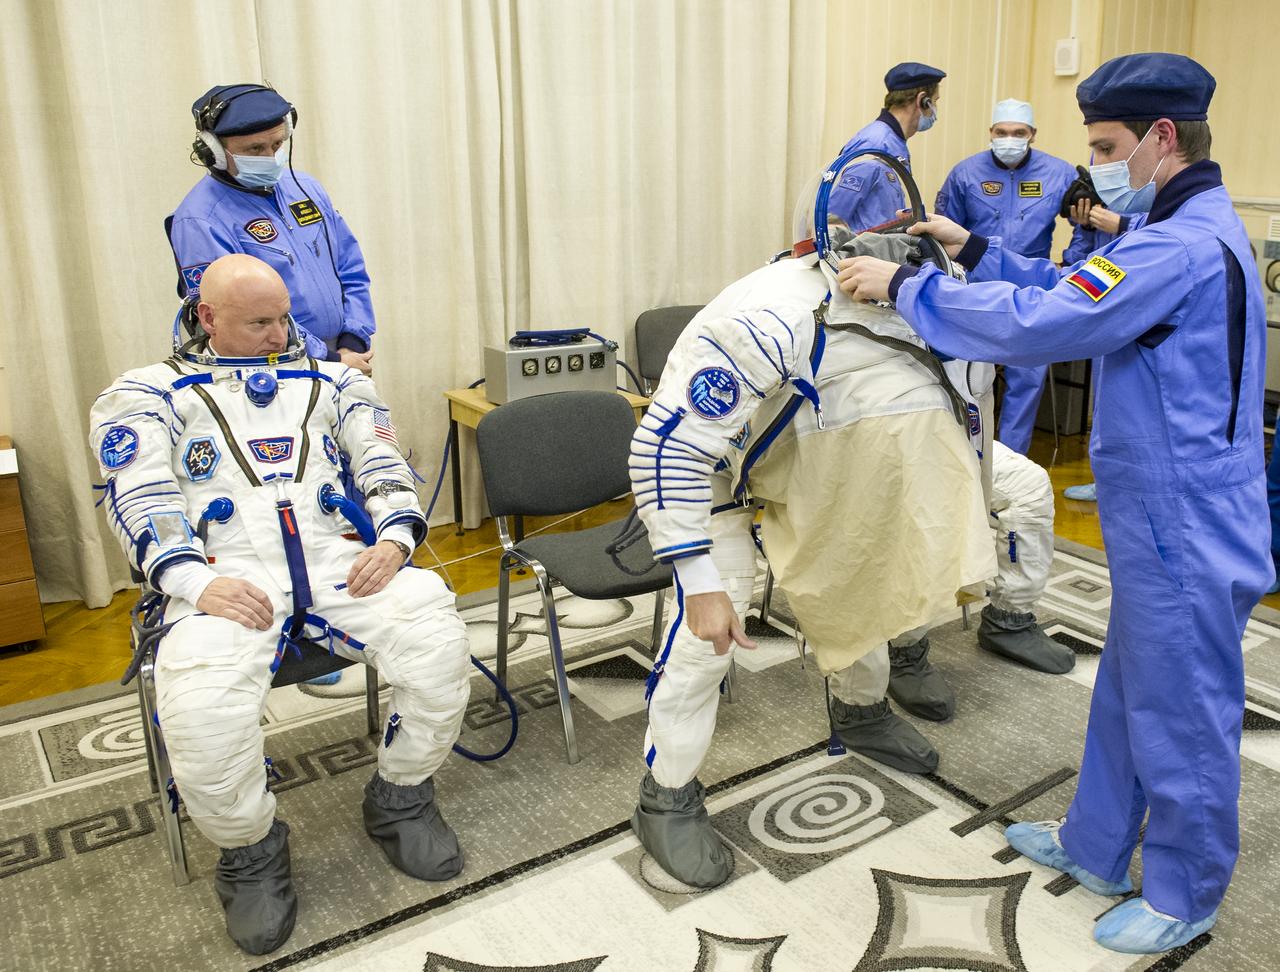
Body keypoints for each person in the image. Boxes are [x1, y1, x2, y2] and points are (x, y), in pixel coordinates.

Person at [837, 53, 1272, 954]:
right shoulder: (1175, 229)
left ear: (1161, 137)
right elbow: (1077, 285)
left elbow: (1053, 322)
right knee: (1130, 685)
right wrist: (973, 249)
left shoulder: (1176, 247)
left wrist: (910, 288)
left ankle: (1186, 890)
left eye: (1107, 148)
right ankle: (1096, 845)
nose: (1097, 167)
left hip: (1188, 512)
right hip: (1162, 505)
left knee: (1183, 704)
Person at [626, 163, 1001, 890]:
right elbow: (666, 451)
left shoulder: (924, 297)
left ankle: (860, 711)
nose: (888, 251)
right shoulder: (768, 316)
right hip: (721, 473)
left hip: (822, 467)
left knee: (863, 575)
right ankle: (664, 794)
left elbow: (966, 403)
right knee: (709, 638)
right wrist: (699, 582)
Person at [91, 256, 471, 954]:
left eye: (283, 318)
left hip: (333, 559)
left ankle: (401, 798)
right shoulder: (147, 393)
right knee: (202, 716)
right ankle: (251, 853)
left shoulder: (335, 382)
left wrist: (395, 538)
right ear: (208, 317)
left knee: (437, 642)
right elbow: (142, 496)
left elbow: (383, 463)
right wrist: (190, 580)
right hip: (222, 577)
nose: (278, 334)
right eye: (258, 322)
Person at [168, 84, 375, 375]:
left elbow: (350, 268)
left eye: (277, 145)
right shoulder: (199, 220)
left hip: (346, 356)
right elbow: (237, 314)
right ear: (214, 151)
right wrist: (328, 360)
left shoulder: (306, 188)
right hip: (273, 368)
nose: (270, 157)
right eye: (255, 149)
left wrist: (353, 340)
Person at [935, 99, 1078, 456]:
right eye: (1002, 132)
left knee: (1027, 378)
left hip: (1032, 287)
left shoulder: (1060, 174)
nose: (1009, 139)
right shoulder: (965, 174)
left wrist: (1072, 263)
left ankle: (1012, 460)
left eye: (1018, 132)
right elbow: (944, 230)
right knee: (965, 373)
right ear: (991, 133)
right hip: (976, 286)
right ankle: (964, 455)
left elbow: (1087, 223)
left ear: (1033, 135)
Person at [827, 62, 945, 233]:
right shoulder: (874, 144)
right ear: (922, 100)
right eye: (934, 101)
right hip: (862, 248)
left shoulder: (895, 143)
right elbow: (832, 217)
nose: (935, 110)